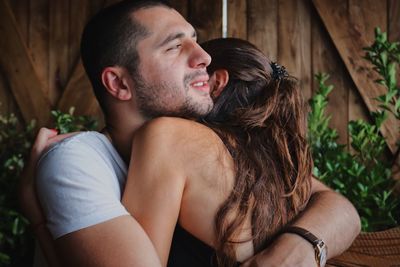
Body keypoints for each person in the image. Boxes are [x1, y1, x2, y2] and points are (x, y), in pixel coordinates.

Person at [18, 1, 361, 267]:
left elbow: (337, 206)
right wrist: (37, 218)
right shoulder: (80, 160)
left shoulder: (205, 147)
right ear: (119, 83)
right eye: (174, 47)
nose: (204, 57)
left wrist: (298, 247)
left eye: (195, 41)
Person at [119, 37, 354, 267]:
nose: (196, 60)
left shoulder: (170, 137)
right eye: (174, 48)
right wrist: (304, 243)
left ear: (216, 83)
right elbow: (342, 208)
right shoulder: (276, 166)